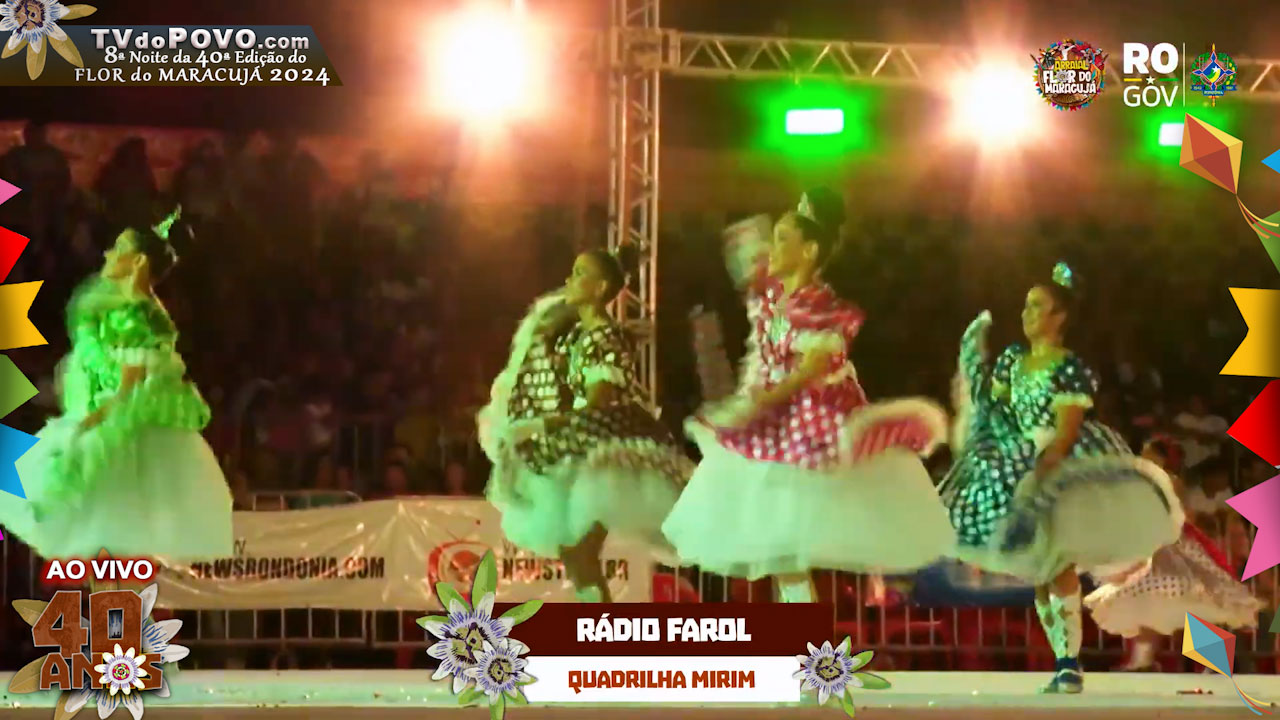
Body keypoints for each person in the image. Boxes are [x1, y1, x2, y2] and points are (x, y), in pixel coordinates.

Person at [663, 188, 954, 603]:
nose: (772, 247)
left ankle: (809, 637)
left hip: (807, 427)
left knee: (788, 552)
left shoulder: (819, 305)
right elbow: (755, 298)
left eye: (783, 239)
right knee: (783, 558)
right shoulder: (773, 299)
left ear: (810, 250)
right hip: (772, 426)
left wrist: (761, 402)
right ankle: (804, 638)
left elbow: (813, 367)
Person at [941, 262, 1183, 693]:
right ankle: (1062, 660)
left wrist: (1044, 470)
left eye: (1038, 306)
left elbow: (1067, 429)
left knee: (1059, 563)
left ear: (1060, 316)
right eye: (1026, 306)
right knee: (1041, 570)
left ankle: (1070, 662)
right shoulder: (1013, 360)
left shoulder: (1069, 367)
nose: (1027, 313)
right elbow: (997, 412)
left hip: (1062, 462)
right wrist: (976, 381)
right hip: (1020, 457)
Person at [0, 209, 234, 560]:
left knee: (103, 526)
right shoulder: (120, 307)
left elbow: (133, 382)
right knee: (100, 536)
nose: (108, 253)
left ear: (137, 261)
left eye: (119, 248)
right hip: (112, 419)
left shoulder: (139, 314)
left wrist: (97, 418)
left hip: (122, 433)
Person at [477, 246, 694, 602]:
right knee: (575, 553)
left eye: (579, 273)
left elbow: (598, 403)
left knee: (580, 552)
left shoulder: (606, 337)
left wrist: (542, 425)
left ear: (600, 287)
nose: (569, 279)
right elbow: (550, 329)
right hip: (586, 445)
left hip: (609, 451)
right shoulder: (577, 336)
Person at [1085, 434, 1261, 671]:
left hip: (1170, 550)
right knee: (1147, 604)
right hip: (1149, 551)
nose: (1143, 456)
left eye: (1149, 453)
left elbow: (1176, 515)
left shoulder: (1170, 481)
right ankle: (1143, 660)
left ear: (1162, 458)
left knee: (1183, 605)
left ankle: (1215, 658)